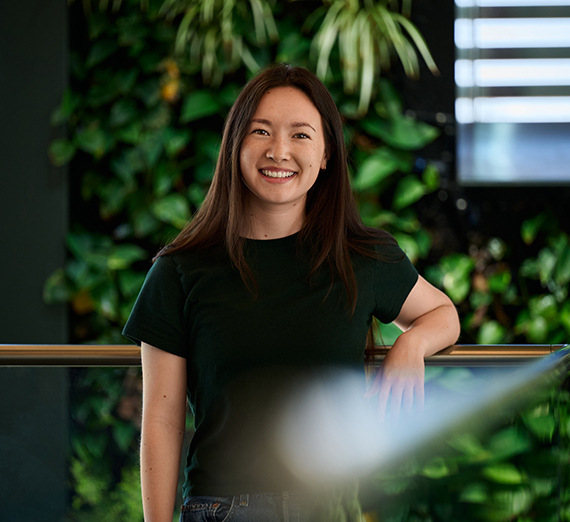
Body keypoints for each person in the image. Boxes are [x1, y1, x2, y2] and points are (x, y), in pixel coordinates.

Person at [123, 63, 460, 522]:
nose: (278, 151)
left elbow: (443, 313)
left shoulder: (364, 256)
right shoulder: (179, 270)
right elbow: (162, 423)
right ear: (235, 146)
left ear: (325, 155)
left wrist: (412, 343)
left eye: (300, 135)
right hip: (222, 511)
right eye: (260, 131)